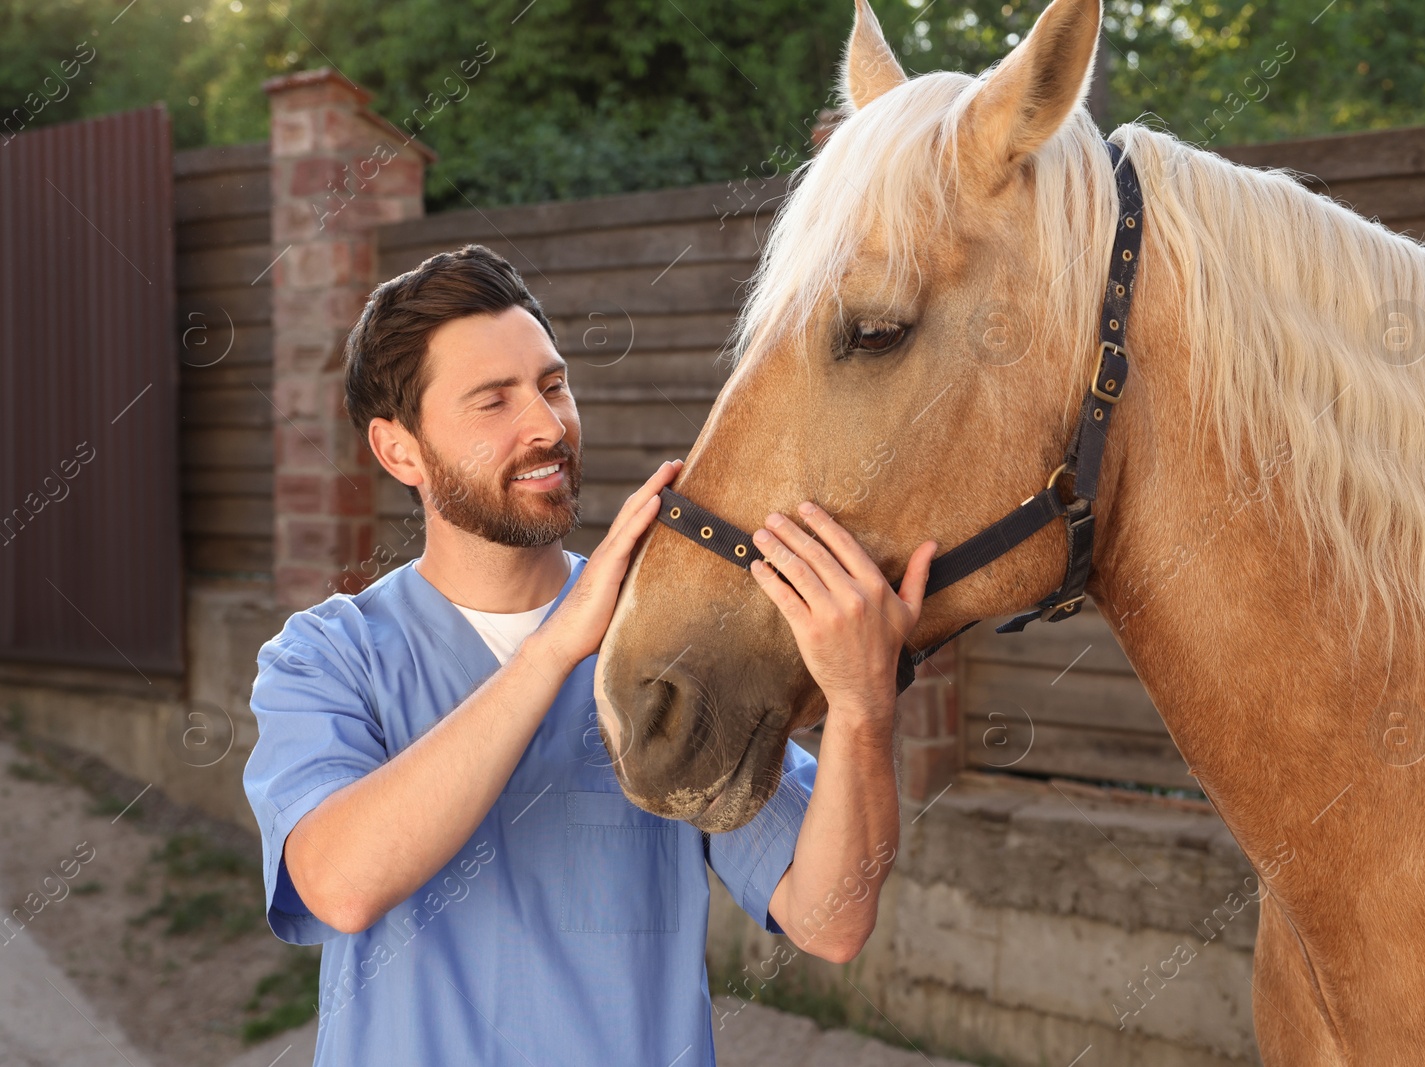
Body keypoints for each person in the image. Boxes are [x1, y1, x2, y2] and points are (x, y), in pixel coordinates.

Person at [242, 243, 937, 1066]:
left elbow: (832, 920)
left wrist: (861, 708)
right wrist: (555, 649)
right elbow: (340, 884)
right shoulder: (325, 658)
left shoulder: (658, 649)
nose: (546, 424)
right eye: (492, 401)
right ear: (400, 451)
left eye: (552, 383)